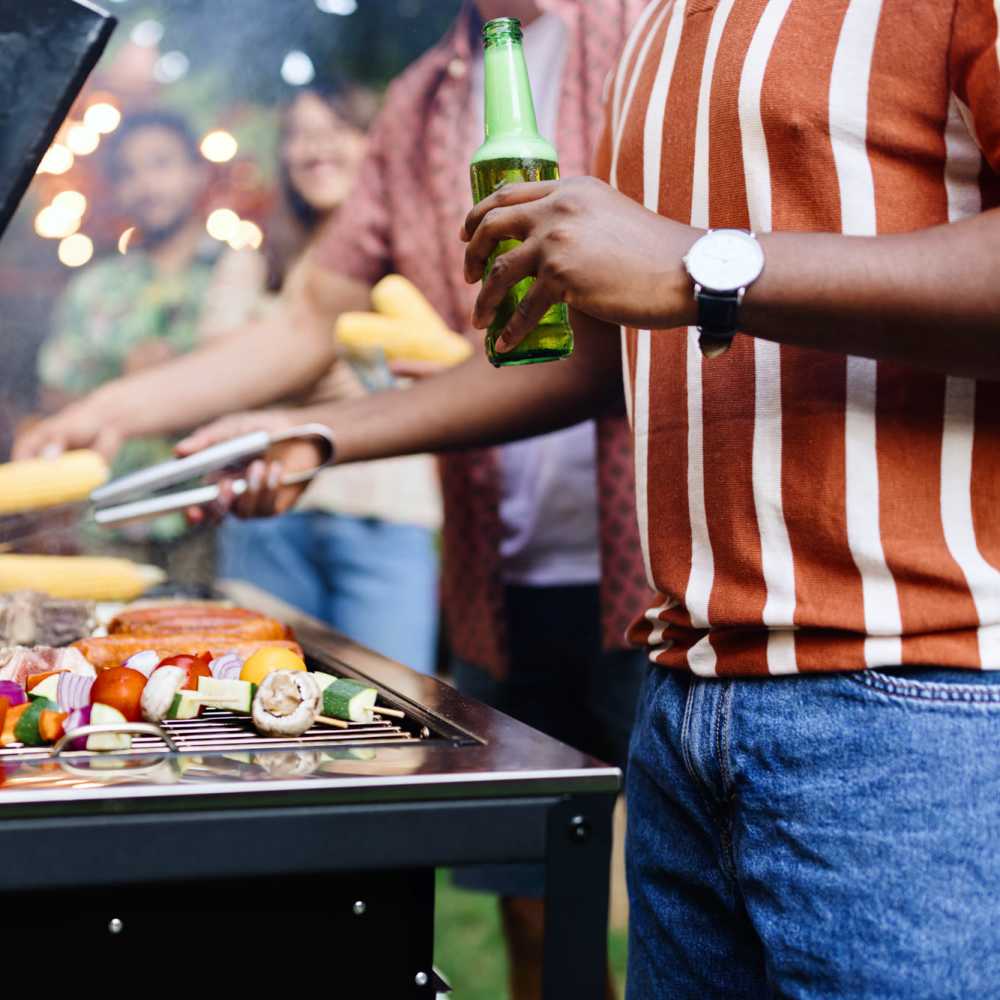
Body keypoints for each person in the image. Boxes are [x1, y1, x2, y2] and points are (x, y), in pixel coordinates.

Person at [175, 1, 1000, 996]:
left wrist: (702, 265)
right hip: (687, 691)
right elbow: (611, 350)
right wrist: (319, 436)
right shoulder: (658, 28)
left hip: (920, 702)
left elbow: (686, 277)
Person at [14, 3, 649, 996]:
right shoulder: (421, 99)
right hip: (500, 567)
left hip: (649, 572)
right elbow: (316, 310)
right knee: (534, 908)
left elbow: (614, 353)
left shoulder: (647, 39)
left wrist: (315, 438)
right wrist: (114, 407)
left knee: (657, 918)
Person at [214, 87, 443, 674]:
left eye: (336, 127)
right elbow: (225, 372)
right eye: (297, 132)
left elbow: (450, 371)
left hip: (385, 514)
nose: (315, 146)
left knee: (390, 712)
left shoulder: (422, 255)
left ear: (375, 143)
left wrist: (291, 369)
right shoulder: (255, 258)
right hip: (270, 512)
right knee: (255, 700)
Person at [32, 109, 262, 587]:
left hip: (210, 517)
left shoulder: (238, 273)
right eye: (129, 172)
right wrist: (121, 381)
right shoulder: (94, 286)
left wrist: (184, 380)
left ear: (196, 173)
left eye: (161, 163)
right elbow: (53, 396)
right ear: (117, 189)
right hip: (110, 516)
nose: (147, 184)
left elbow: (270, 380)